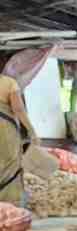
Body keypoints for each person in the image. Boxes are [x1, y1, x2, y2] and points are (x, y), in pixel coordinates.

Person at [0, 71, 38, 204]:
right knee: (10, 164)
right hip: (4, 131)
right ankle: (9, 204)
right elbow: (19, 110)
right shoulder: (9, 83)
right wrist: (31, 131)